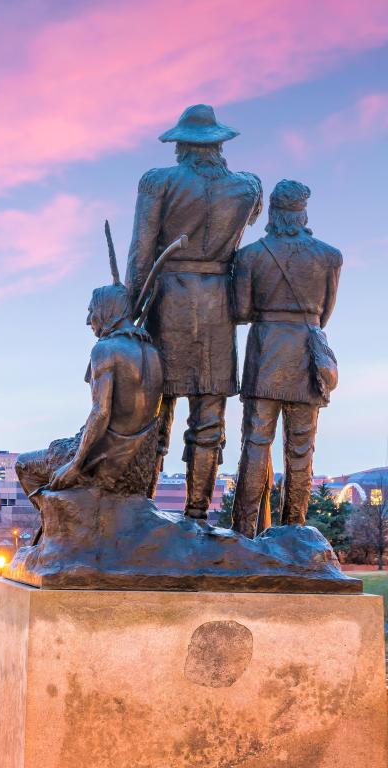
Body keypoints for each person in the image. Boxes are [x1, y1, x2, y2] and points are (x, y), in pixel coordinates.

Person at [126, 104, 263, 520]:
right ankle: (197, 512)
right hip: (219, 302)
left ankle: (141, 507)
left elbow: (142, 250)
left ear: (181, 145)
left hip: (169, 300)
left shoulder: (158, 182)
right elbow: (250, 223)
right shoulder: (249, 187)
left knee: (154, 409)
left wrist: (128, 313)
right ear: (220, 145)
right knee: (209, 414)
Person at [230, 180, 341, 537]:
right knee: (301, 448)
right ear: (303, 212)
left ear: (273, 214)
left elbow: (241, 311)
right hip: (306, 355)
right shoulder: (329, 256)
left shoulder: (249, 256)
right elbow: (324, 314)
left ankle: (244, 530)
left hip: (265, 354)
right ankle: (294, 530)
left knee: (255, 443)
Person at [16, 243, 163, 498]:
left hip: (105, 460)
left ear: (106, 311)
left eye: (91, 311)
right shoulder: (152, 352)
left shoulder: (105, 349)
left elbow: (101, 412)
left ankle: (61, 531)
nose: (88, 320)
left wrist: (74, 465)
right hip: (138, 465)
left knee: (23, 465)